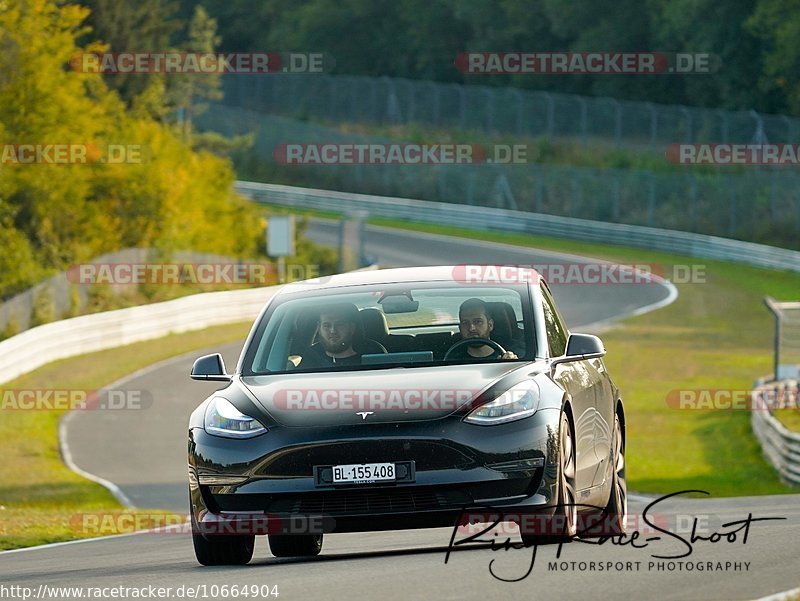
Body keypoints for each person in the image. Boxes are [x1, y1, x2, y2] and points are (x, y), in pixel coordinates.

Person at [298, 303, 385, 368]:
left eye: (339, 324)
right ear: (319, 329)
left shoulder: (373, 353)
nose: (332, 331)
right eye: (326, 326)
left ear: (352, 328)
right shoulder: (311, 357)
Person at [449, 298, 518, 361]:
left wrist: (512, 363)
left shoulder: (512, 357)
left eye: (478, 322)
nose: (471, 328)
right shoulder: (451, 361)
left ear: (490, 325)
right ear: (460, 328)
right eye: (465, 323)